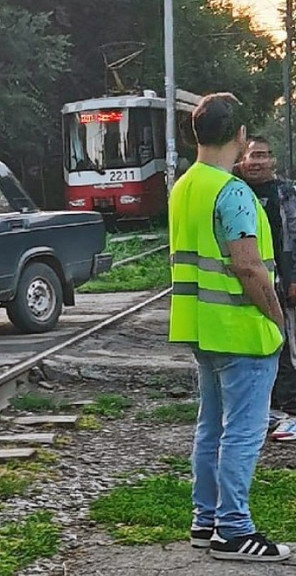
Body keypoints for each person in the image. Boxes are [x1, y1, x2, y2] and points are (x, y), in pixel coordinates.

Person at [169, 92, 291, 562]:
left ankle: (206, 521)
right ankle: (235, 530)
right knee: (243, 432)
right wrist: (277, 319)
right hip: (242, 329)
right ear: (240, 138)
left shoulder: (185, 186)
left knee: (211, 428)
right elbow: (248, 266)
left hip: (202, 329)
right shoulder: (232, 191)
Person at [236, 136, 296, 433]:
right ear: (242, 160)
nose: (257, 162)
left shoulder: (286, 193)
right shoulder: (234, 190)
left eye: (263, 156)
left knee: (284, 340)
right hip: (244, 281)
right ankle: (261, 403)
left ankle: (285, 404)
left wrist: (294, 277)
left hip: (281, 280)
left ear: (273, 160)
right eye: (252, 156)